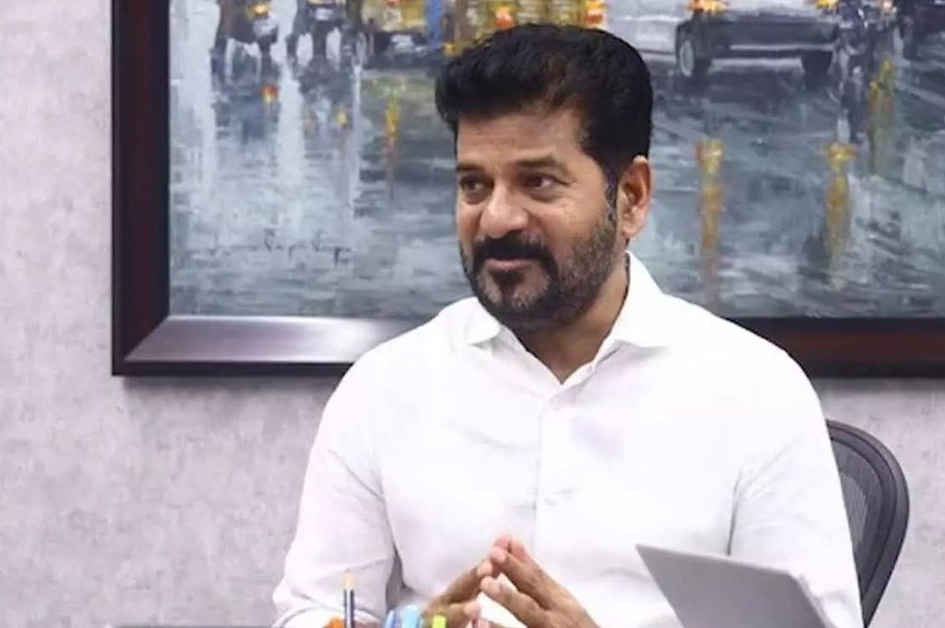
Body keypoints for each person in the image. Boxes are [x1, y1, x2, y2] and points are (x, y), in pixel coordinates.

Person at [271, 23, 863, 628]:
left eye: (538, 182)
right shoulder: (385, 388)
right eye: (474, 185)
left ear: (630, 197)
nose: (496, 219)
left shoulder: (756, 392)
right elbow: (313, 609)